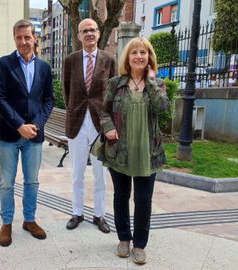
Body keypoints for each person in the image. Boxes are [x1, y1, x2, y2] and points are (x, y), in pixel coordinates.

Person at [99, 37, 169, 264]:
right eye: (134, 52)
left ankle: (140, 244)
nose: (139, 56)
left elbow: (162, 108)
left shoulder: (157, 84)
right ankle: (123, 239)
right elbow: (104, 111)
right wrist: (108, 128)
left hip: (148, 152)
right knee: (121, 196)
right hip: (120, 149)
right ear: (127, 58)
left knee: (144, 199)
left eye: (144, 52)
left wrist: (150, 82)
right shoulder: (115, 83)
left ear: (149, 57)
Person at [0, 19, 54, 247]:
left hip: (34, 136)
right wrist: (19, 125)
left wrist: (36, 125)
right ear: (14, 39)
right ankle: (6, 223)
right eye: (19, 38)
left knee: (32, 181)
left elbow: (48, 100)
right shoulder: (3, 64)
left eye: (27, 37)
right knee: (6, 182)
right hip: (8, 135)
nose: (23, 41)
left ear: (35, 38)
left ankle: (29, 220)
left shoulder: (44, 68)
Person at [62, 18, 116, 233]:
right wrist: (75, 110)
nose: (89, 34)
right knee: (77, 172)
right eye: (85, 31)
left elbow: (112, 93)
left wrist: (110, 122)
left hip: (100, 124)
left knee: (100, 173)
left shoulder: (108, 60)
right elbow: (67, 92)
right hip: (77, 123)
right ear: (79, 36)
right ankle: (77, 212)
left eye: (93, 30)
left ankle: (99, 215)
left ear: (99, 33)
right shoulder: (70, 60)